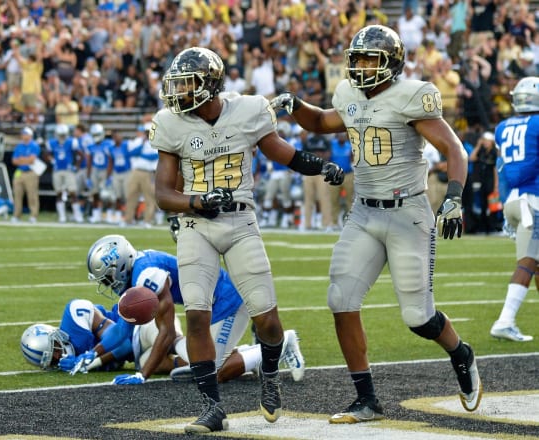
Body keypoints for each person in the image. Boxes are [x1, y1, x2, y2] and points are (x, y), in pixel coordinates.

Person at [269, 24, 482, 423]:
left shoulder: (410, 96)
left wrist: (453, 197)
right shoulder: (350, 94)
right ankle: (366, 398)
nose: (362, 67)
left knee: (419, 318)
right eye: (358, 59)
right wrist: (294, 105)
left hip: (407, 214)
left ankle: (460, 352)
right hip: (364, 213)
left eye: (371, 59)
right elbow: (321, 121)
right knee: (340, 299)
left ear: (393, 63)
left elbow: (454, 148)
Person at [152, 47, 343, 433]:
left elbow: (282, 153)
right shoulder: (171, 122)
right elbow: (161, 193)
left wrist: (321, 166)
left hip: (240, 222)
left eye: (188, 83)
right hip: (196, 226)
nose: (180, 92)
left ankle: (269, 375)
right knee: (197, 314)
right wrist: (195, 200)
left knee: (268, 322)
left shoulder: (248, 110)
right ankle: (212, 407)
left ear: (210, 84)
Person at [86, 234, 305, 386]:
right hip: (209, 306)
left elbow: (168, 332)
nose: (107, 284)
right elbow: (125, 327)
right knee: (200, 357)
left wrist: (143, 375)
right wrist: (91, 355)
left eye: (107, 278)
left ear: (120, 266)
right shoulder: (141, 271)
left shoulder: (147, 276)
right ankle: (253, 357)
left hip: (227, 301)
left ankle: (282, 343)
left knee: (213, 371)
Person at [490, 77, 539, 342]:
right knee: (529, 261)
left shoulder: (502, 127)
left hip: (514, 200)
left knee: (537, 262)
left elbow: (502, 170)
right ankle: (505, 319)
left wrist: (505, 201)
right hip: (533, 200)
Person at [21, 298, 184, 375]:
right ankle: (203, 364)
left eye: (55, 349)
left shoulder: (73, 319)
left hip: (143, 324)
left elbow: (123, 344)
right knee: (147, 364)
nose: (59, 356)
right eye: (53, 360)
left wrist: (90, 362)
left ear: (55, 336)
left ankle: (204, 352)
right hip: (137, 353)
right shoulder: (69, 363)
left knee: (168, 341)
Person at [44, 124, 83, 223]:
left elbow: (80, 154)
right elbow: (47, 154)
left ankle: (77, 215)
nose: (62, 137)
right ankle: (62, 216)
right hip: (57, 170)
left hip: (68, 170)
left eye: (63, 135)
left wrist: (76, 166)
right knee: (59, 193)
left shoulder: (71, 142)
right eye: (60, 135)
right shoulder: (52, 143)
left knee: (73, 192)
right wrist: (52, 160)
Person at [11, 127, 41, 224]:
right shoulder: (19, 146)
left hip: (30, 172)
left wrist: (22, 160)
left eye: (26, 134)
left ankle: (33, 215)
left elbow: (32, 160)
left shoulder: (34, 145)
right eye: (23, 134)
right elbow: (14, 161)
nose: (24, 136)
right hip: (20, 172)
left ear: (30, 135)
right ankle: (16, 215)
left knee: (32, 194)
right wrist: (25, 160)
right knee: (17, 194)